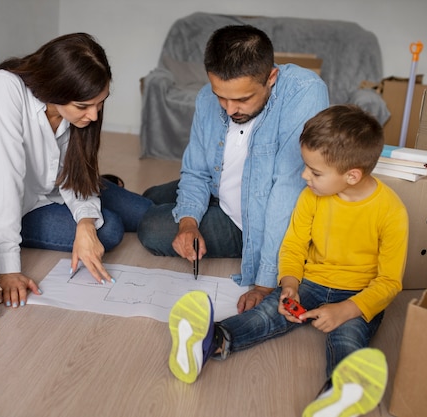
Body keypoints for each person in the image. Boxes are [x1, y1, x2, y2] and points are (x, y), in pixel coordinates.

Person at [167, 105, 408, 415]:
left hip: (359, 296)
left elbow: (389, 283)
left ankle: (337, 396)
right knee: (269, 312)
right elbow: (294, 245)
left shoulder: (391, 212)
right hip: (310, 284)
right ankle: (208, 340)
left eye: (315, 171)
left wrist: (345, 310)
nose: (304, 175)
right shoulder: (312, 196)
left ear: (352, 175)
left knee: (348, 337)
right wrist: (290, 284)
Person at [137, 25, 329, 312]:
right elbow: (197, 171)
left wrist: (265, 282)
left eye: (242, 99)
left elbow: (287, 193)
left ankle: (103, 208)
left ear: (271, 77)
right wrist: (188, 223)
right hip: (222, 185)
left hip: (253, 222)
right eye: (221, 97)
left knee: (151, 227)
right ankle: (97, 201)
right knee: (152, 193)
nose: (228, 109)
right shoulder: (205, 97)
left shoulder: (305, 92)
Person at [0, 33, 152, 308]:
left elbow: (76, 171)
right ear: (55, 87)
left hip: (59, 187)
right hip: (17, 206)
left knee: (147, 212)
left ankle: (184, 193)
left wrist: (85, 222)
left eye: (100, 103)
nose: (94, 116)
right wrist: (8, 269)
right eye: (83, 106)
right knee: (110, 228)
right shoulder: (4, 89)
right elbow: (3, 184)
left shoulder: (75, 111)